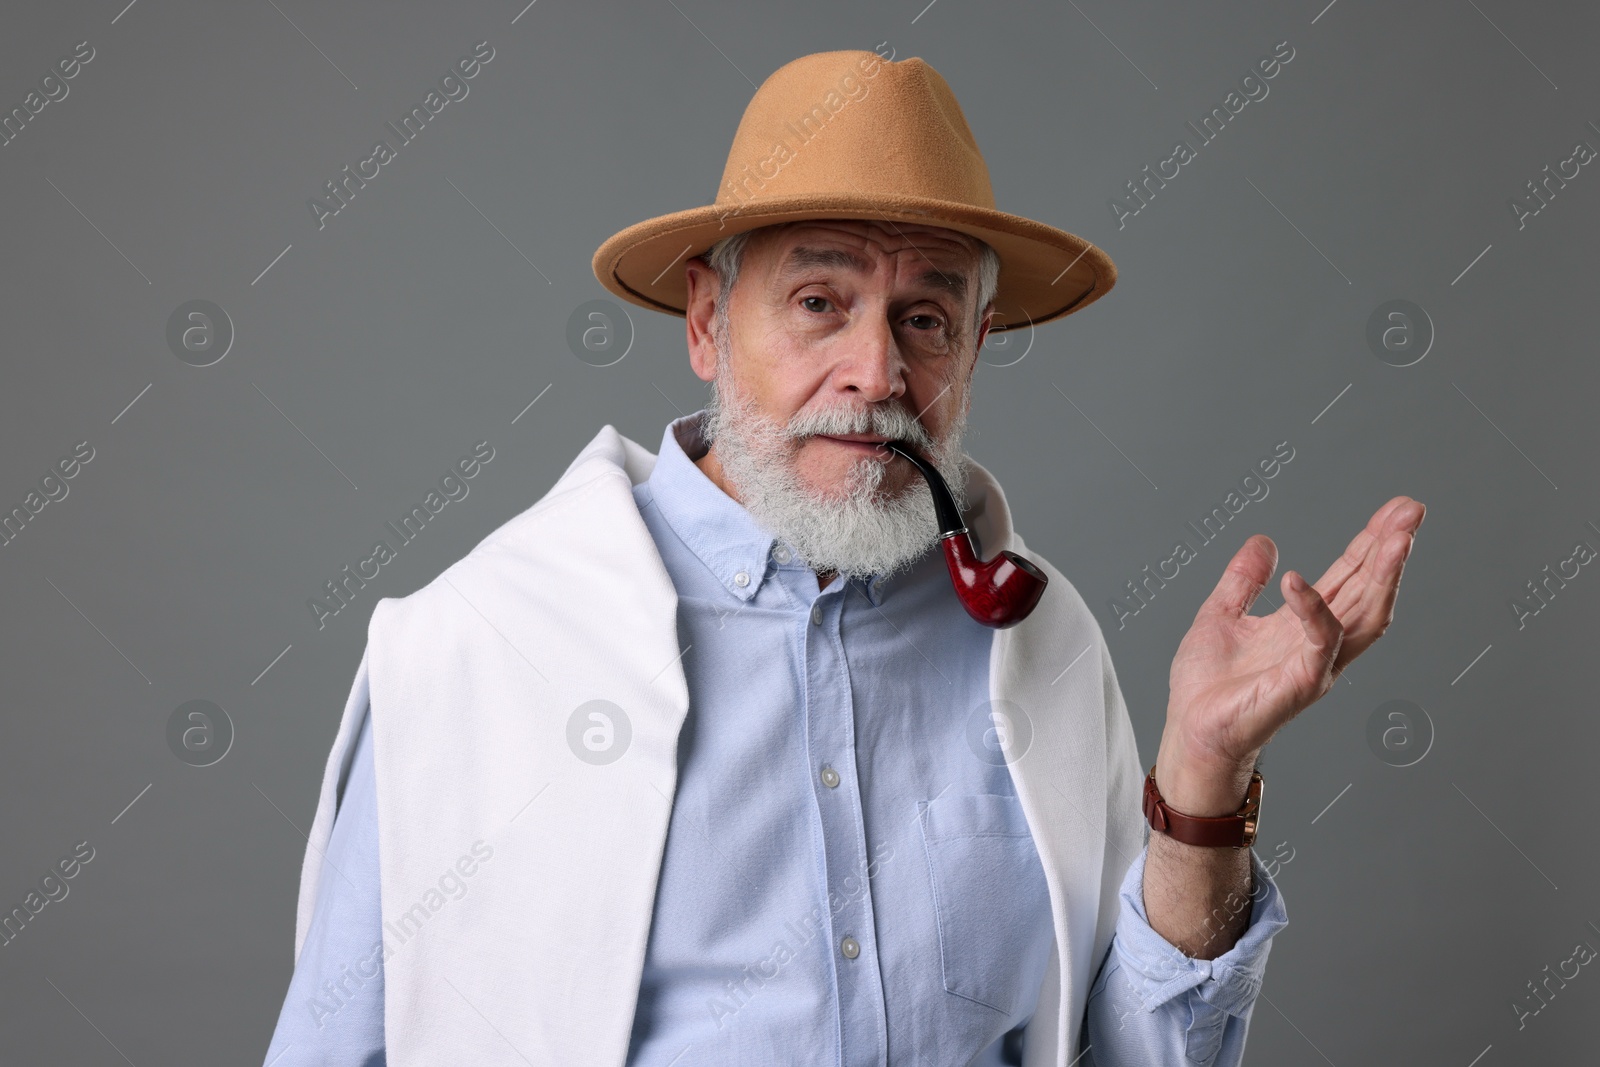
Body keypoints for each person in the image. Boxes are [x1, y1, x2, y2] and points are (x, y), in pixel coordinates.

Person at [264, 50, 1425, 1066]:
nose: (876, 372)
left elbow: (1140, 1052)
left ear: (972, 345)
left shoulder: (1040, 643)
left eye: (924, 318)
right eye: (820, 300)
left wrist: (1204, 783)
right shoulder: (476, 648)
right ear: (709, 323)